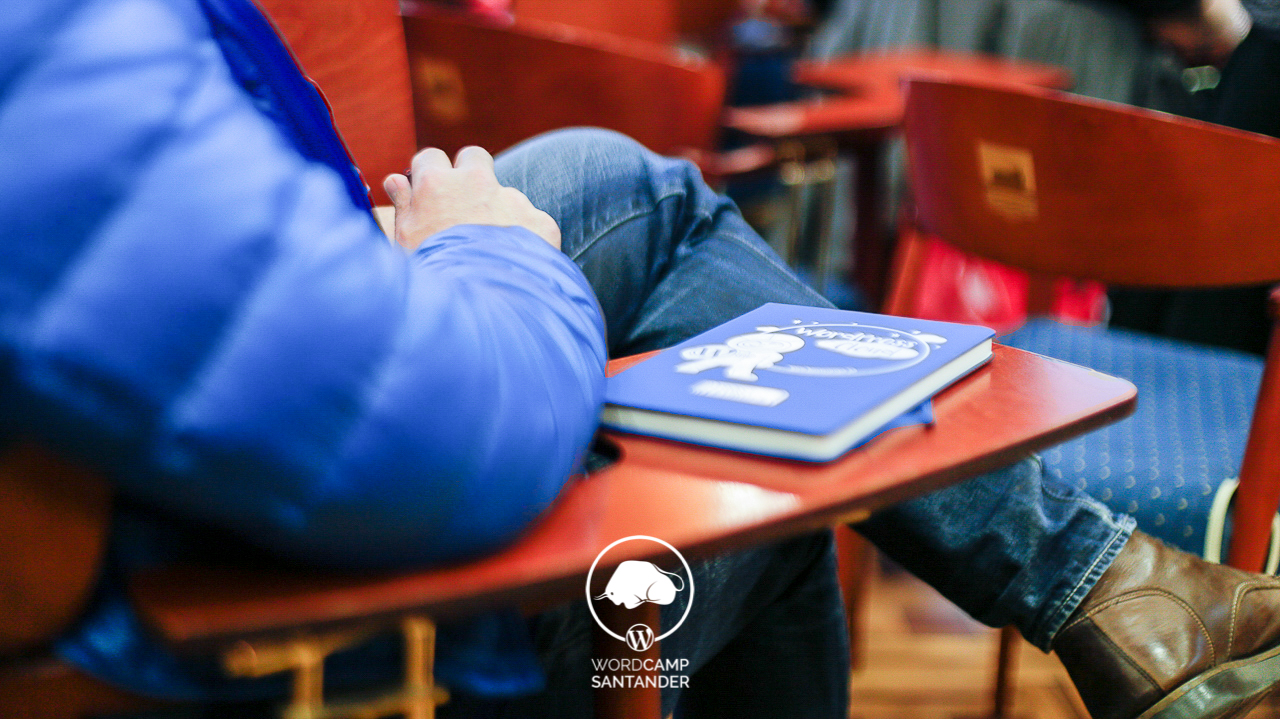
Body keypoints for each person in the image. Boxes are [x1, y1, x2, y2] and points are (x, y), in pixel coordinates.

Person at [4, 1, 1280, 718]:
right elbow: (428, 436)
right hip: (299, 636)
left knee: (615, 182)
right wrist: (481, 253)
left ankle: (1105, 582)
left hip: (240, 455)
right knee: (774, 497)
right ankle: (1107, 582)